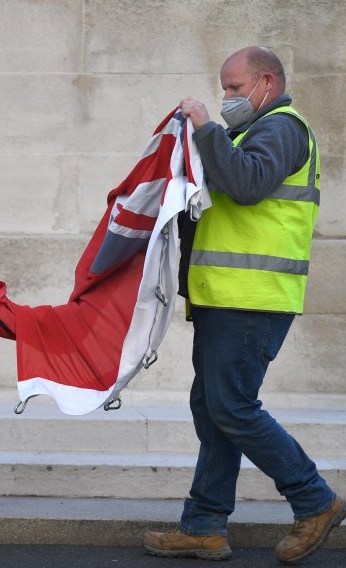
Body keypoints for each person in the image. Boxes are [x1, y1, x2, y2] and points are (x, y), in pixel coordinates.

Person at [142, 46, 344, 564]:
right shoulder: (250, 131)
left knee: (231, 407)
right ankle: (204, 525)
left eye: (235, 88)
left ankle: (314, 499)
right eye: (224, 89)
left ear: (266, 82)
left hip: (251, 299)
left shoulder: (280, 128)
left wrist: (207, 128)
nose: (227, 96)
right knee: (213, 410)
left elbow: (247, 185)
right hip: (227, 297)